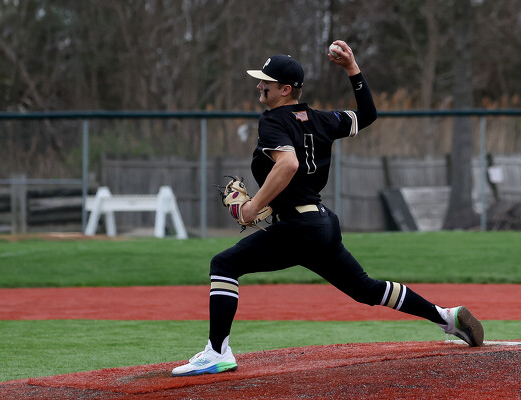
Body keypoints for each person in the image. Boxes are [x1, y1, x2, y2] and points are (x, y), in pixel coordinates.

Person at [171, 40, 484, 377]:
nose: (260, 86)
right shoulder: (320, 119)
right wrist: (353, 69)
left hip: (298, 228)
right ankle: (446, 316)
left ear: (286, 89)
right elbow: (367, 115)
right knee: (365, 289)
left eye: (266, 82)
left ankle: (218, 352)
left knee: (224, 264)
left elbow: (288, 164)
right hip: (319, 223)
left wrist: (252, 207)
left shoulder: (273, 120)